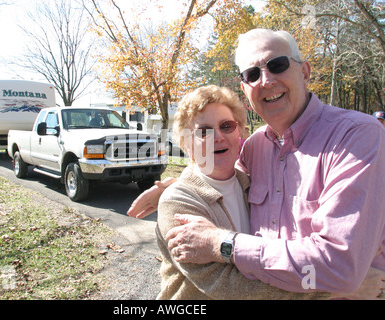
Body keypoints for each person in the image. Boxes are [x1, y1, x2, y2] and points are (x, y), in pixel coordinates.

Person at [128, 28, 385, 298]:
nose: (266, 80)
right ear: (245, 90)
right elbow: (225, 281)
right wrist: (171, 188)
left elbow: (340, 267)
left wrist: (222, 243)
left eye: (278, 65)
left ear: (305, 72)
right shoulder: (255, 148)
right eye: (253, 74)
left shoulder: (356, 137)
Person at [156, 84, 331, 299]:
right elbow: (226, 284)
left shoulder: (251, 185)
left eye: (226, 126)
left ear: (239, 132)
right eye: (204, 131)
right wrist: (328, 288)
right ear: (187, 144)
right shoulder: (178, 202)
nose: (218, 136)